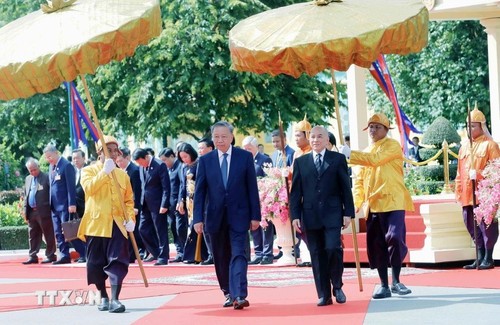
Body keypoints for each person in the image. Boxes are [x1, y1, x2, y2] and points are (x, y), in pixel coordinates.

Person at [193, 121, 261, 310]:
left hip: (239, 215)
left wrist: (256, 216)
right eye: (216, 137)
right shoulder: (206, 161)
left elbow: (252, 189)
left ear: (232, 137)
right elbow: (200, 192)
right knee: (221, 256)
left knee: (239, 253)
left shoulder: (244, 157)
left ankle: (239, 294)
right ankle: (227, 292)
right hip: (215, 217)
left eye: (224, 137)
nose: (220, 140)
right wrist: (197, 219)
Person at [345, 113, 414, 299]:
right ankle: (384, 284)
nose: (373, 130)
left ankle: (397, 280)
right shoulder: (365, 152)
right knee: (377, 245)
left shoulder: (391, 146)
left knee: (395, 237)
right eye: (371, 127)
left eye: (377, 127)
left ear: (386, 129)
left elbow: (375, 160)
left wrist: (350, 154)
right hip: (374, 205)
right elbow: (359, 183)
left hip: (393, 201)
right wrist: (355, 205)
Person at [290, 126, 354, 306]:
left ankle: (337, 285)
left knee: (333, 248)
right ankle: (324, 294)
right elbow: (295, 192)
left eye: (320, 137)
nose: (315, 140)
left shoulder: (338, 159)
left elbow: (345, 188)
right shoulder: (301, 162)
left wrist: (348, 212)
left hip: (333, 213)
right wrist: (294, 215)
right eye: (312, 137)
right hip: (310, 215)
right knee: (316, 254)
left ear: (327, 140)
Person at [77, 135, 135, 313]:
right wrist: (104, 172)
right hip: (96, 224)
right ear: (99, 152)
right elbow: (89, 189)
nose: (113, 153)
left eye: (115, 150)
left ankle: (115, 299)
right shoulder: (88, 171)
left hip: (117, 223)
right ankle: (103, 295)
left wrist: (131, 219)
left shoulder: (122, 175)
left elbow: (129, 201)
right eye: (109, 150)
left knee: (118, 261)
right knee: (96, 262)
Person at [455, 107, 500, 270]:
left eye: (473, 126)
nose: (470, 129)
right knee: (470, 224)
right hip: (467, 194)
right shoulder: (464, 147)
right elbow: (459, 172)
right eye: (468, 126)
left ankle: (488, 257)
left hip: (484, 194)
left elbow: (496, 169)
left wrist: (480, 174)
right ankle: (479, 256)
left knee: (486, 226)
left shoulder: (490, 145)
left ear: (482, 126)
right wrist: (458, 191)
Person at [43, 144, 86, 264]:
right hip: (55, 206)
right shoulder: (51, 167)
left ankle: (84, 253)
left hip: (65, 205)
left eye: (50, 156)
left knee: (70, 231)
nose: (49, 159)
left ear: (56, 153)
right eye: (47, 157)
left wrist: (72, 204)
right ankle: (64, 255)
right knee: (58, 232)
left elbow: (70, 187)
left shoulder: (66, 165)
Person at [132, 148, 171, 266]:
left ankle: (163, 257)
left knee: (161, 231)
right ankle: (156, 252)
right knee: (142, 229)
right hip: (145, 204)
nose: (139, 165)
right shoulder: (141, 167)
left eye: (140, 162)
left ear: (146, 157)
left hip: (158, 204)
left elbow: (166, 187)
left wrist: (164, 204)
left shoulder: (159, 165)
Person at [242, 136, 274, 265]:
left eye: (249, 148)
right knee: (253, 226)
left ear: (256, 147)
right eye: (245, 148)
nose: (247, 150)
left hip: (263, 198)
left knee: (265, 227)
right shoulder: (243, 160)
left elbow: (269, 178)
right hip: (249, 199)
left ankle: (267, 254)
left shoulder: (264, 159)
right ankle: (258, 252)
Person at [176, 143, 208, 264]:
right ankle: (191, 255)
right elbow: (182, 185)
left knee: (199, 226)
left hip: (198, 199)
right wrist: (181, 201)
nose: (184, 159)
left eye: (186, 156)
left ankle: (202, 254)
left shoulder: (200, 164)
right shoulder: (183, 167)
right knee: (189, 227)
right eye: (182, 157)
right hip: (188, 200)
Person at [22, 158, 57, 264]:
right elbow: (26, 196)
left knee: (48, 234)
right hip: (31, 211)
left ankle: (50, 255)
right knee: (32, 234)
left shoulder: (46, 177)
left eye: (34, 169)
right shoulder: (28, 179)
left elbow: (52, 194)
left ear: (39, 167)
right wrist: (25, 211)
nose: (33, 172)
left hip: (44, 210)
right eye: (30, 170)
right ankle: (33, 255)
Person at [116, 147, 145, 263]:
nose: (119, 164)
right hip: (122, 206)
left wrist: (136, 206)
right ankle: (130, 254)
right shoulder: (119, 171)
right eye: (117, 162)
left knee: (135, 231)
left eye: (121, 161)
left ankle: (138, 252)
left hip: (132, 206)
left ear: (127, 158)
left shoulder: (134, 170)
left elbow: (137, 191)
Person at [159, 147, 188, 263]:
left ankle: (187, 251)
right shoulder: (167, 169)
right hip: (170, 206)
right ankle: (180, 252)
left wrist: (181, 201)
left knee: (180, 228)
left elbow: (182, 185)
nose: (164, 163)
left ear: (172, 156)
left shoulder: (180, 167)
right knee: (173, 228)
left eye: (165, 160)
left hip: (179, 204)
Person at [292, 116, 313, 267]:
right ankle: (306, 257)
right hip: (298, 196)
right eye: (295, 135)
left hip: (310, 197)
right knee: (301, 228)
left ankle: (312, 256)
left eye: (299, 135)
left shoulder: (312, 152)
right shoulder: (296, 153)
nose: (296, 139)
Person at [196, 137, 215, 265]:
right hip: (206, 201)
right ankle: (211, 254)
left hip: (218, 200)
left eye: (202, 148)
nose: (200, 151)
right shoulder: (201, 162)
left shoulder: (216, 160)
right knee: (207, 229)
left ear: (210, 148)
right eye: (198, 148)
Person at [72, 149, 87, 263]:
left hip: (86, 206)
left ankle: (88, 254)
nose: (75, 160)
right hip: (74, 207)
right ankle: (82, 253)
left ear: (84, 158)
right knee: (73, 232)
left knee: (87, 232)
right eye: (74, 158)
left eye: (78, 158)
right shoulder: (71, 171)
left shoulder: (88, 171)